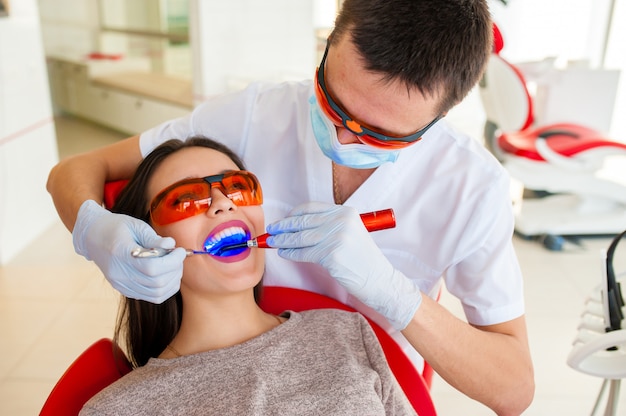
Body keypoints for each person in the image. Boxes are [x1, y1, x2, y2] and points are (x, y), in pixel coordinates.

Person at [47, 0, 534, 414]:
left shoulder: (473, 186)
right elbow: (77, 170)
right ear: (328, 44)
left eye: (382, 134)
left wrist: (397, 297)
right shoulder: (252, 115)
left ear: (439, 118)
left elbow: (513, 389)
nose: (344, 136)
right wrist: (92, 228)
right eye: (335, 104)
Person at [79, 136, 416, 415]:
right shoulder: (119, 408)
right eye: (185, 198)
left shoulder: (344, 331)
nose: (224, 203)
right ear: (145, 242)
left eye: (238, 186)